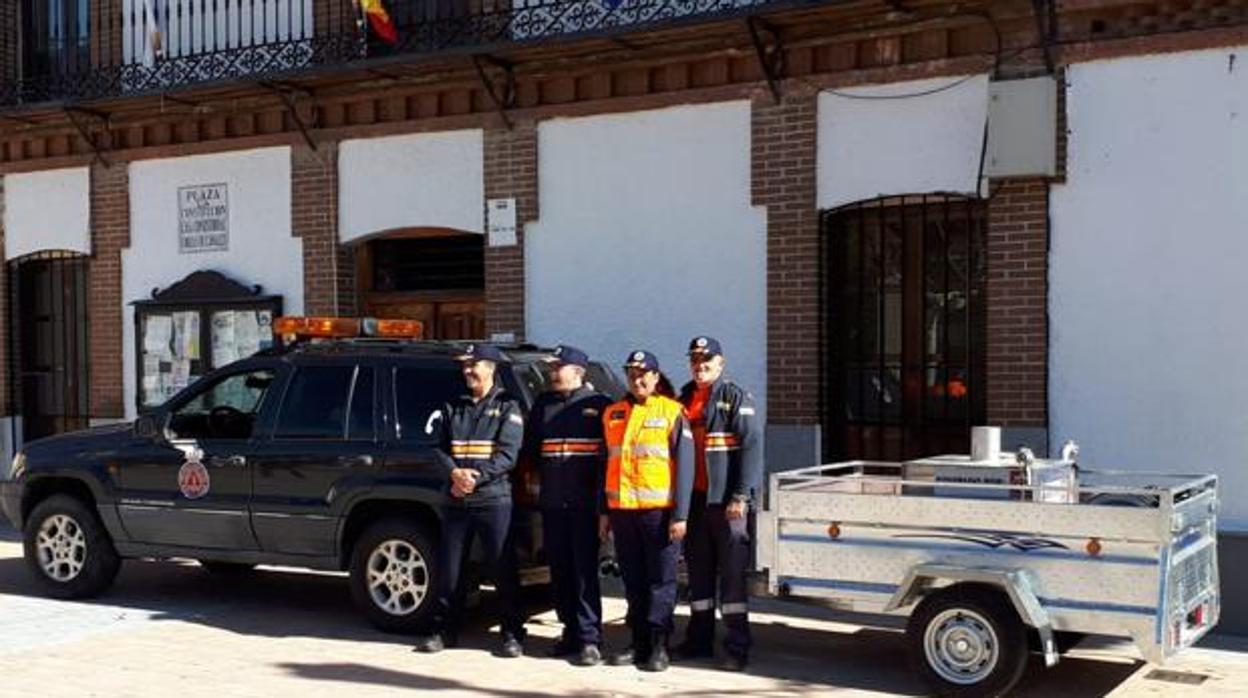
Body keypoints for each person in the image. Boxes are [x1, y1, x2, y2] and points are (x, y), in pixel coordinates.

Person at [416, 343, 527, 657]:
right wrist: (454, 475)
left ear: (490, 368)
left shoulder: (508, 406)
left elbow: (508, 455)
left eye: (473, 365)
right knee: (450, 571)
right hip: (456, 501)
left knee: (502, 569)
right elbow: (437, 448)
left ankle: (512, 634)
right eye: (464, 366)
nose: (467, 371)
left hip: (493, 499)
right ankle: (443, 630)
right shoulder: (453, 404)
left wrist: (474, 478)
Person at [600, 349, 694, 672]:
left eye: (644, 373)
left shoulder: (672, 412)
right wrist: (605, 513)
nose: (637, 379)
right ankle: (637, 642)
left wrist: (681, 514)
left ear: (655, 377)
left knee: (661, 580)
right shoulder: (613, 413)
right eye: (632, 373)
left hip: (660, 514)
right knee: (633, 580)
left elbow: (686, 469)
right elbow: (607, 465)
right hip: (623, 512)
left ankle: (658, 644)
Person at [522, 345, 614, 666]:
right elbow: (531, 454)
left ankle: (590, 638)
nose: (552, 372)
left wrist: (604, 508)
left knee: (584, 572)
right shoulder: (543, 405)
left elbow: (608, 463)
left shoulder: (599, 406)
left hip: (585, 507)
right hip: (552, 505)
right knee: (559, 571)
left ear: (578, 371)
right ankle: (570, 632)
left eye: (558, 367)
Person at [675, 336, 762, 672]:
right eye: (695, 359)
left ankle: (737, 647)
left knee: (732, 578)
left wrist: (741, 495)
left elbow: (752, 447)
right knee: (698, 578)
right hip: (695, 503)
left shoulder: (735, 396)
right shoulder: (683, 398)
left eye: (707, 359)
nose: (701, 364)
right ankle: (699, 641)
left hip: (727, 504)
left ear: (721, 363)